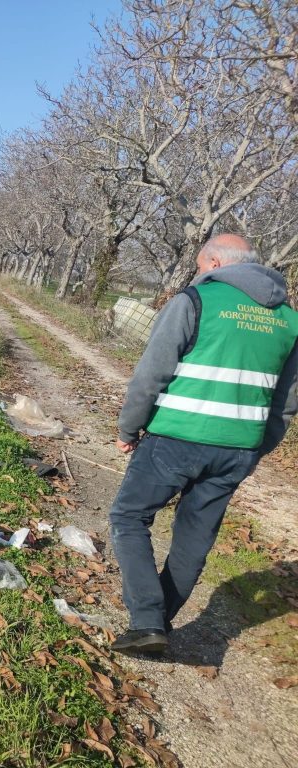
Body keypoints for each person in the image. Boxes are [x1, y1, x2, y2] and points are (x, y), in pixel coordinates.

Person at [109, 234, 298, 656]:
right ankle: (159, 621)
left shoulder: (196, 300)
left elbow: (150, 376)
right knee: (195, 536)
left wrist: (128, 430)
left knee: (129, 517)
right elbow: (287, 402)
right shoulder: (290, 320)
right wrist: (254, 448)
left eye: (199, 265)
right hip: (238, 450)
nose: (198, 272)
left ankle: (146, 621)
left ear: (213, 262)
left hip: (177, 438)